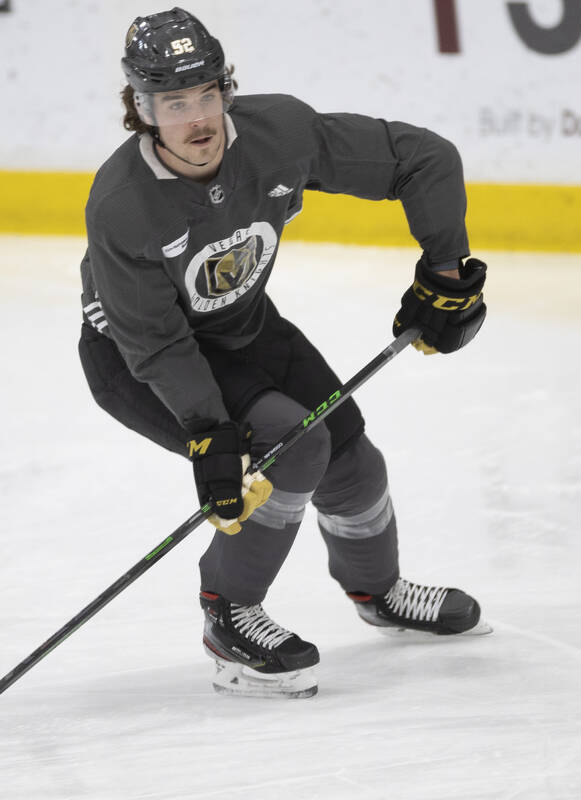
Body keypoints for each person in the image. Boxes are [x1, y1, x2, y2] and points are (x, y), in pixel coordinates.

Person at [77, 7, 491, 699]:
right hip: (138, 359)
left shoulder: (278, 135)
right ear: (142, 109)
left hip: (245, 326)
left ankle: (378, 591)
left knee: (354, 463)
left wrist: (447, 273)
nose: (198, 118)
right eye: (175, 103)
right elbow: (154, 339)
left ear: (225, 91)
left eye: (207, 93)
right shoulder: (122, 205)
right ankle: (228, 615)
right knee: (288, 449)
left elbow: (423, 157)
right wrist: (210, 434)